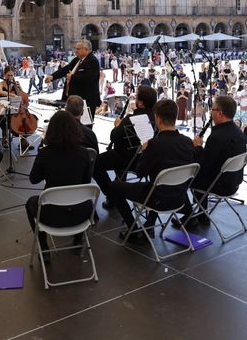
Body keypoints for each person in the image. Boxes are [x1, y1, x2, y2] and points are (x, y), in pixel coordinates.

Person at [107, 99, 195, 244]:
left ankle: (133, 229)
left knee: (114, 186)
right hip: (179, 197)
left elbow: (140, 172)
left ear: (158, 119)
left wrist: (144, 151)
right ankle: (149, 225)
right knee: (158, 183)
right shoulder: (187, 142)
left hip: (157, 199)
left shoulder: (155, 144)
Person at [25, 110, 94, 263]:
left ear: (51, 131)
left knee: (30, 203)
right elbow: (86, 181)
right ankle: (78, 241)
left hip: (51, 216)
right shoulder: (84, 153)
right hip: (81, 215)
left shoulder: (45, 154)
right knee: (83, 198)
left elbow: (34, 179)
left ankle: (44, 248)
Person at [176, 95, 246, 227]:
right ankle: (202, 214)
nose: (210, 112)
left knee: (180, 179)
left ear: (220, 113)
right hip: (233, 182)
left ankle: (189, 215)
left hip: (219, 185)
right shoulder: (239, 133)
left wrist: (197, 147)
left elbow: (203, 166)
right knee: (200, 178)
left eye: (212, 109)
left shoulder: (217, 136)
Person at [94, 86, 157, 207]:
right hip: (144, 160)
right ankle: (117, 191)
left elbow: (114, 137)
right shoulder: (156, 118)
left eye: (136, 98)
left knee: (95, 164)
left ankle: (113, 195)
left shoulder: (132, 119)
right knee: (119, 156)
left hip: (126, 158)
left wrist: (118, 125)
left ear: (140, 103)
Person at [44, 39, 102, 115]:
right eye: (76, 48)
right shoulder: (77, 59)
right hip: (73, 100)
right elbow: (66, 69)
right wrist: (52, 76)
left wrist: (72, 77)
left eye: (78, 49)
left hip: (86, 101)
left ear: (86, 49)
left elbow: (89, 78)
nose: (76, 51)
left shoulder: (92, 61)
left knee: (84, 122)